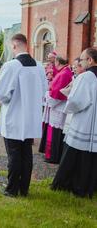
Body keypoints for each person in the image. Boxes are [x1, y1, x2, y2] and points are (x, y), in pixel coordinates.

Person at [0, 34, 47, 197]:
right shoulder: (39, 66)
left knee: (14, 154)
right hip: (31, 118)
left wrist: (4, 99)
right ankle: (24, 188)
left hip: (14, 117)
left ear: (15, 46)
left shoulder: (11, 66)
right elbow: (44, 91)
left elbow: (2, 94)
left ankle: (11, 189)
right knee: (27, 154)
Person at [52, 48, 97, 198]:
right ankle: (91, 186)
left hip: (84, 122)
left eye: (83, 60)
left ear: (90, 60)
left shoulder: (86, 77)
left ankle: (72, 185)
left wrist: (69, 101)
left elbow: (77, 101)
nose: (81, 62)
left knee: (74, 154)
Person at [39, 56, 73, 164]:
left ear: (58, 62)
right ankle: (52, 155)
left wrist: (47, 94)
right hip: (58, 107)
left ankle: (53, 156)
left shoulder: (64, 73)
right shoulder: (65, 71)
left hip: (58, 108)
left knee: (55, 133)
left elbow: (56, 94)